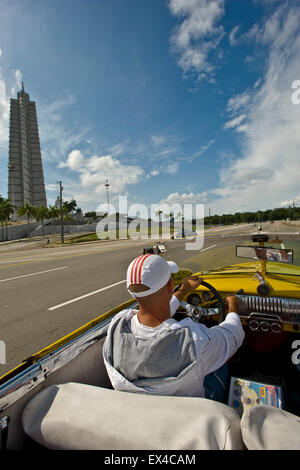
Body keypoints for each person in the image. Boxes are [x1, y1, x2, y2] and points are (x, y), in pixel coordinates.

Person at [103, 254, 245, 401]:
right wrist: (233, 304)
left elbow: (154, 311)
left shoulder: (117, 326)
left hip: (140, 405)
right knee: (222, 365)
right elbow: (234, 334)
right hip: (192, 408)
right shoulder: (194, 341)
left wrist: (184, 290)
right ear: (170, 285)